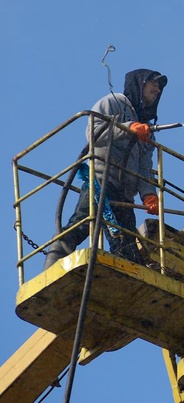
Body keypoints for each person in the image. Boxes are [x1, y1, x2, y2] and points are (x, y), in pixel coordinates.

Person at [44, 69, 167, 269]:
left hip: (125, 194)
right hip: (102, 182)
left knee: (127, 244)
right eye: (153, 83)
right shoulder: (114, 103)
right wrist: (127, 127)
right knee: (82, 223)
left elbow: (144, 167)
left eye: (160, 87)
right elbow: (93, 133)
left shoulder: (147, 131)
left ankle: (130, 279)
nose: (158, 89)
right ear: (140, 83)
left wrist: (148, 195)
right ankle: (51, 267)